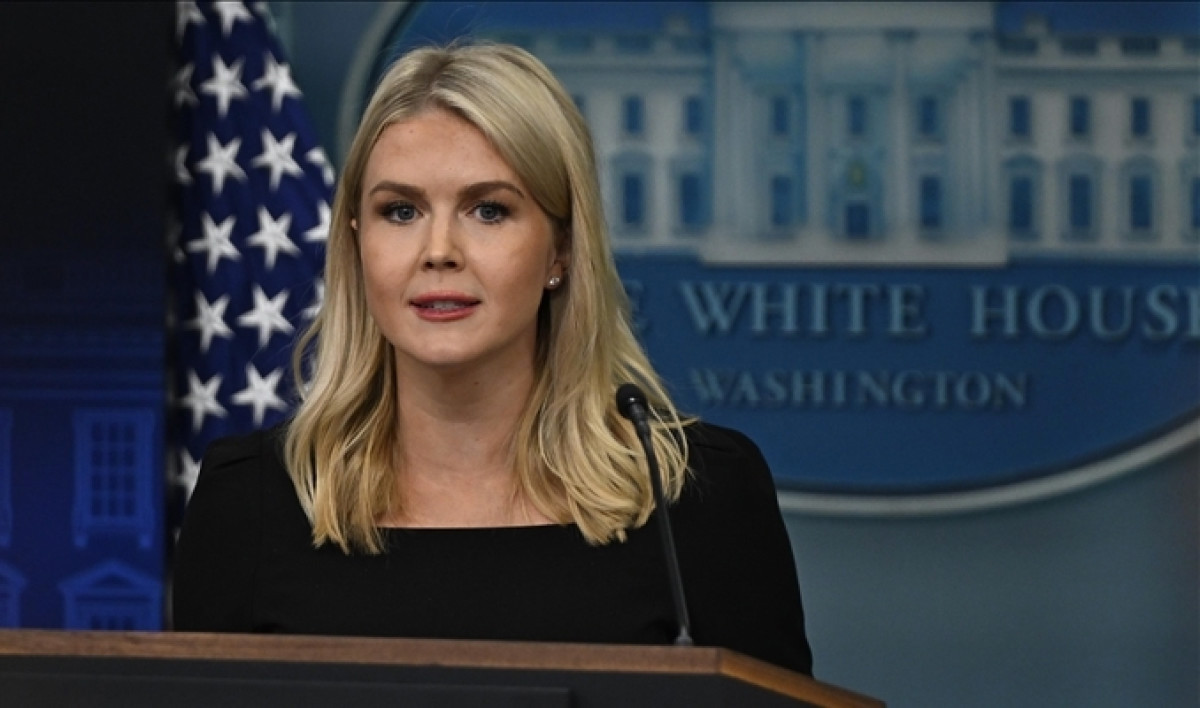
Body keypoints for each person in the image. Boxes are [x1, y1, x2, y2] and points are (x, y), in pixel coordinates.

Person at [171, 41, 813, 676]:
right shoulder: (249, 502)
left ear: (561, 249)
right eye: (401, 211)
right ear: (356, 241)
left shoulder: (697, 497)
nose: (439, 251)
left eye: (488, 210)